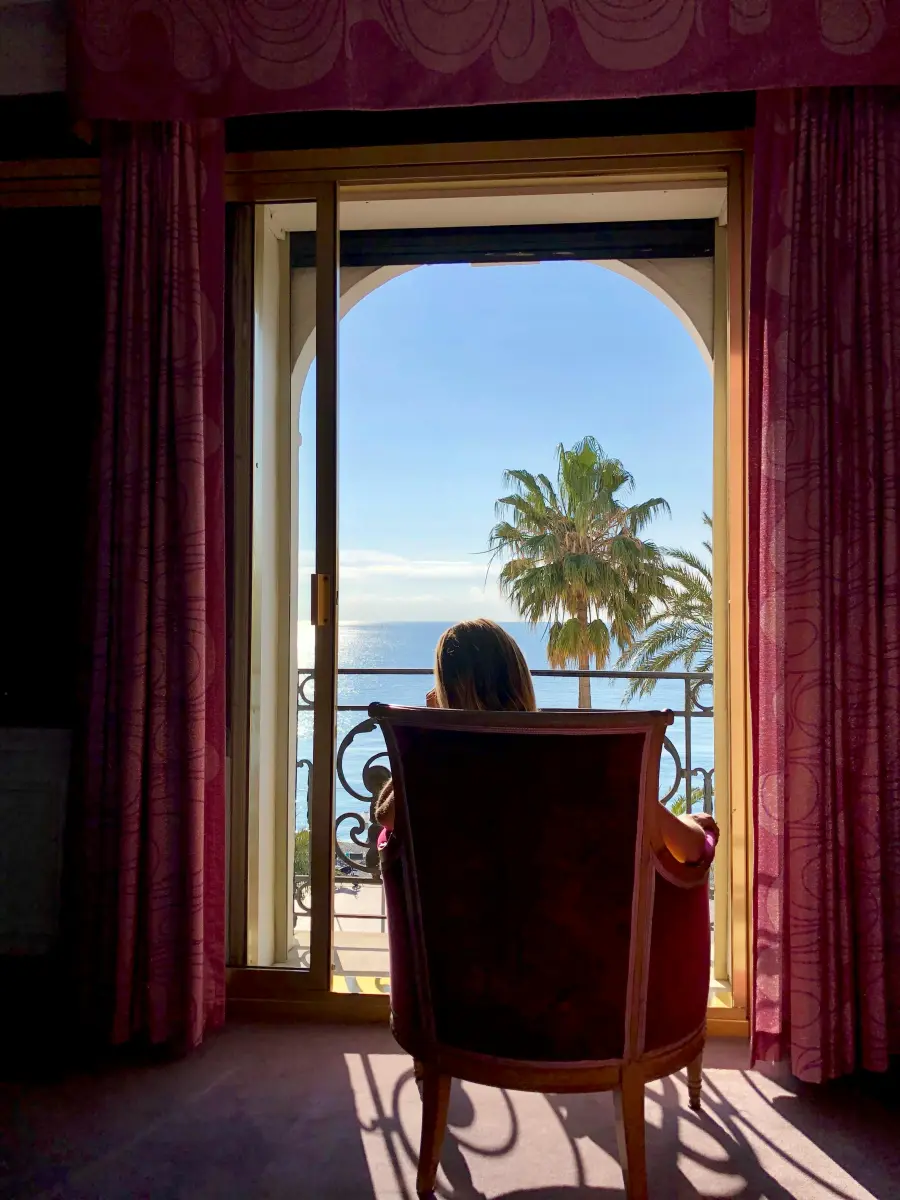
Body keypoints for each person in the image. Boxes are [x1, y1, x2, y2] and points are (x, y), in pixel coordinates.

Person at [375, 617, 718, 863]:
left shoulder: (441, 768)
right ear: (519, 676)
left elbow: (387, 818)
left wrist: (429, 730)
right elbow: (690, 851)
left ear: (445, 692)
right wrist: (693, 826)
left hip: (462, 941)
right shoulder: (577, 758)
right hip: (575, 940)